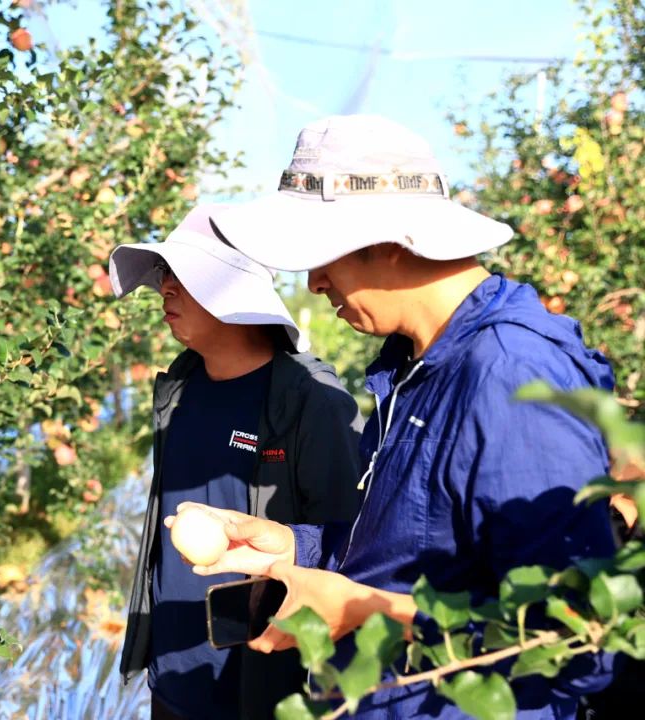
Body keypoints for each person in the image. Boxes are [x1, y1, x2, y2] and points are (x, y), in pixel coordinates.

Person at [178, 115, 618, 718]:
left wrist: (366, 612)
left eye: (321, 254)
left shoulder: (513, 378)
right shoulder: (413, 367)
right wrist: (293, 546)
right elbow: (406, 549)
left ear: (389, 242)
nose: (313, 281)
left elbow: (574, 641)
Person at [108, 204, 364, 720]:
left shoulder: (310, 404)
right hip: (173, 670)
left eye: (182, 276)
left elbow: (350, 545)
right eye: (163, 276)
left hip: (261, 679)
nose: (165, 290)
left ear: (236, 291)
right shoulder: (179, 389)